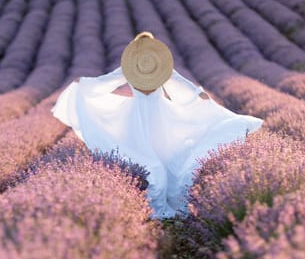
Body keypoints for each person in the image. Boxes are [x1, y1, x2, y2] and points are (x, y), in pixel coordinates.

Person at [51, 31, 263, 219]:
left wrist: (84, 85)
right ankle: (165, 201)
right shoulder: (159, 68)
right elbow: (183, 87)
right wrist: (199, 95)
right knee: (162, 157)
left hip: (136, 116)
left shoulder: (131, 68)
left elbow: (106, 82)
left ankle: (154, 203)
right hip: (159, 115)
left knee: (150, 159)